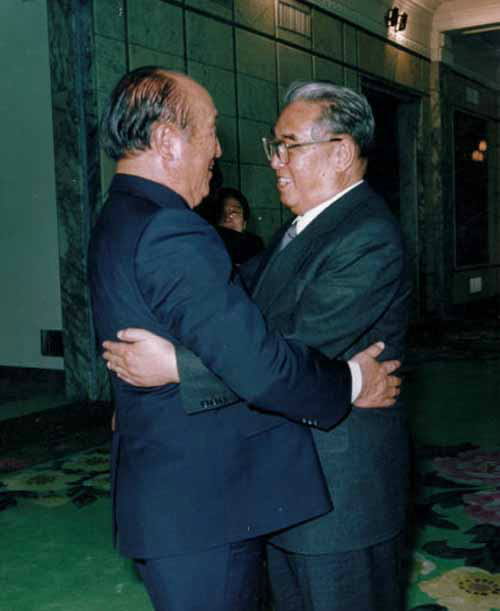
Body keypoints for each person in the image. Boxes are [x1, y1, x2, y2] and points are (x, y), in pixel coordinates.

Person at [88, 67, 401, 611]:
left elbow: (290, 344)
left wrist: (178, 366)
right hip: (250, 486)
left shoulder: (367, 235)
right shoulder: (284, 231)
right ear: (167, 140)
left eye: (288, 146)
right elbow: (250, 342)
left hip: (339, 495)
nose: (271, 160)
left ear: (341, 153)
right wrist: (354, 382)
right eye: (274, 146)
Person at [213, 187, 264, 264]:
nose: (227, 218)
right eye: (221, 213)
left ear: (244, 223)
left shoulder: (256, 249)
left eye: (234, 213)